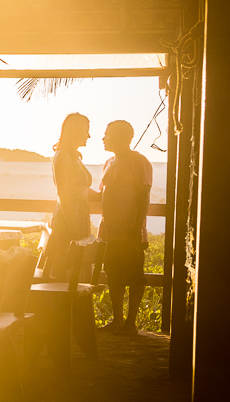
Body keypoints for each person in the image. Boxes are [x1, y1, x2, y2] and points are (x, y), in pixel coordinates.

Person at [96, 120, 153, 335]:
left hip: (130, 231)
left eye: (107, 134)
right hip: (109, 230)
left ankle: (131, 323)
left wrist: (137, 228)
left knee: (135, 276)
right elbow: (104, 193)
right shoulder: (109, 162)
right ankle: (118, 320)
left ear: (121, 138)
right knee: (113, 275)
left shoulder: (140, 162)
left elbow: (143, 196)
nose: (103, 138)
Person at [45, 113, 92, 279]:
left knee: (78, 266)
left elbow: (80, 189)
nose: (89, 135)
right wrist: (73, 225)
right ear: (75, 131)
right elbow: (63, 193)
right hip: (68, 218)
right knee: (66, 265)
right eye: (86, 130)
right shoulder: (63, 156)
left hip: (80, 216)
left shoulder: (74, 157)